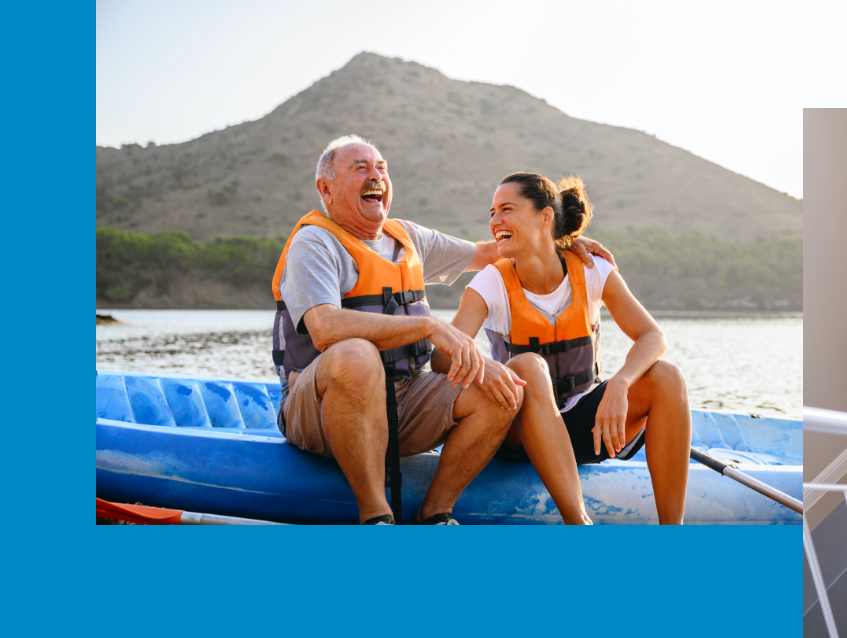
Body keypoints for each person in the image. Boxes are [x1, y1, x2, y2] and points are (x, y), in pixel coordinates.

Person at [270, 135, 611, 524]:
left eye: (381, 167)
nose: (375, 175)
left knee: (500, 390)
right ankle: (375, 515)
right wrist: (429, 327)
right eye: (360, 168)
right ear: (325, 189)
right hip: (318, 408)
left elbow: (491, 253)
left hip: (403, 400)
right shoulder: (314, 243)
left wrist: (556, 241)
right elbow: (325, 329)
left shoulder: (408, 238)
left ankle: (434, 513)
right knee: (356, 354)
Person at [447, 172, 693, 525]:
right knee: (529, 365)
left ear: (545, 217)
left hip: (585, 429)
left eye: (507, 209)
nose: (494, 221)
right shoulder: (490, 282)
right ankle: (579, 524)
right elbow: (443, 356)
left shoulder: (591, 268)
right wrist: (490, 372)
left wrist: (620, 384)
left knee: (667, 376)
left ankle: (673, 534)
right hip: (516, 435)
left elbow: (653, 337)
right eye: (492, 212)